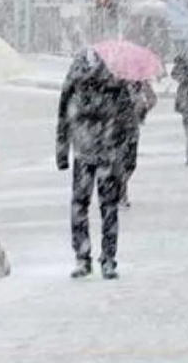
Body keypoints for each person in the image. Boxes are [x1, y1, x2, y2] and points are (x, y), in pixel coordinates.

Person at [56, 49, 147, 279]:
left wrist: (62, 151)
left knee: (79, 205)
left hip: (83, 152)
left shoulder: (75, 77)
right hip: (109, 151)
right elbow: (129, 123)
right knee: (108, 207)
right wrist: (129, 159)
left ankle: (83, 257)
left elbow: (63, 116)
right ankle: (108, 259)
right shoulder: (116, 79)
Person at [120, 77, 158, 209]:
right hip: (115, 129)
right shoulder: (112, 81)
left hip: (132, 129)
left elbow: (152, 99)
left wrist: (143, 109)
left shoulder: (141, 83)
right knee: (120, 162)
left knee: (130, 164)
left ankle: (120, 185)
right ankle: (121, 192)